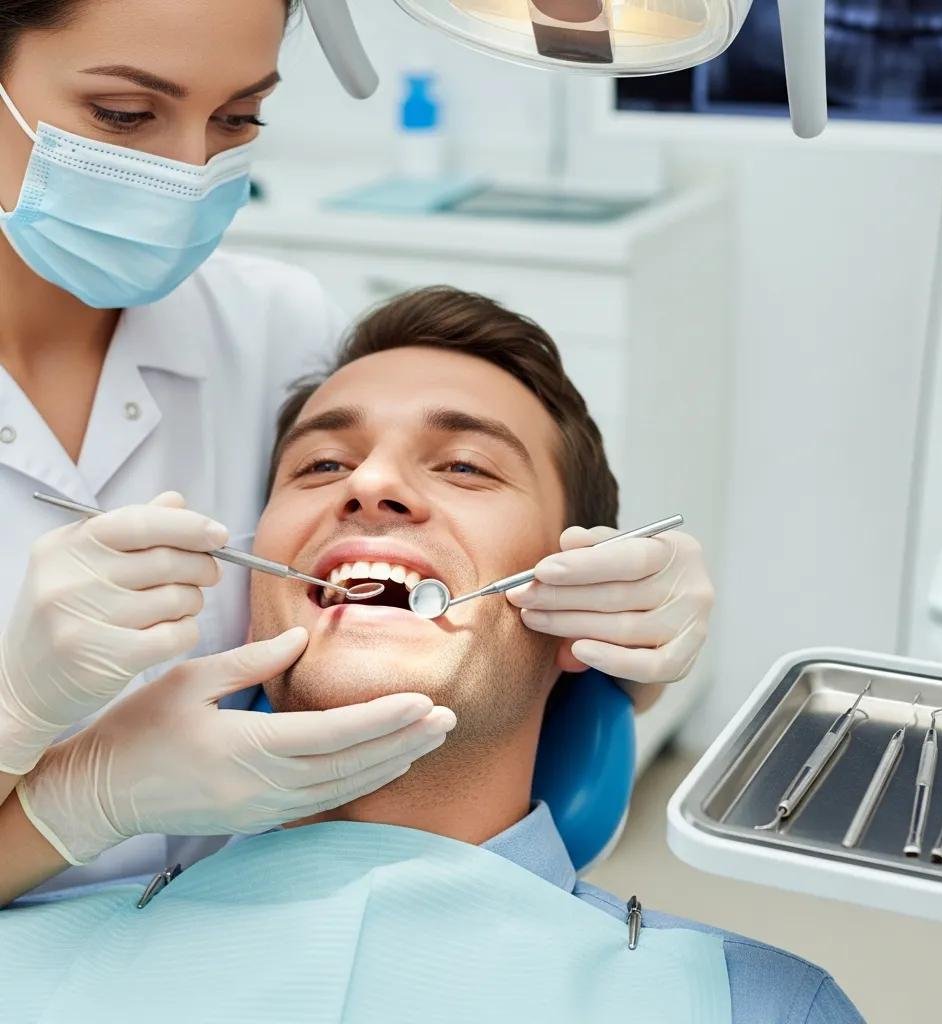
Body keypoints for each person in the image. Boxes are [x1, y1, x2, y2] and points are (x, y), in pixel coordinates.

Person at [0, 0, 713, 898]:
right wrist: (61, 787)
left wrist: (617, 649)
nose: (189, 169)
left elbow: (444, 626)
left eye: (237, 118)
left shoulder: (271, 326)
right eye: (124, 116)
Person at [2, 288, 860, 1024]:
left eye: (464, 465)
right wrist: (57, 794)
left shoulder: (750, 1004)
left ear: (580, 598)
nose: (367, 484)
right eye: (322, 462)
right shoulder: (27, 945)